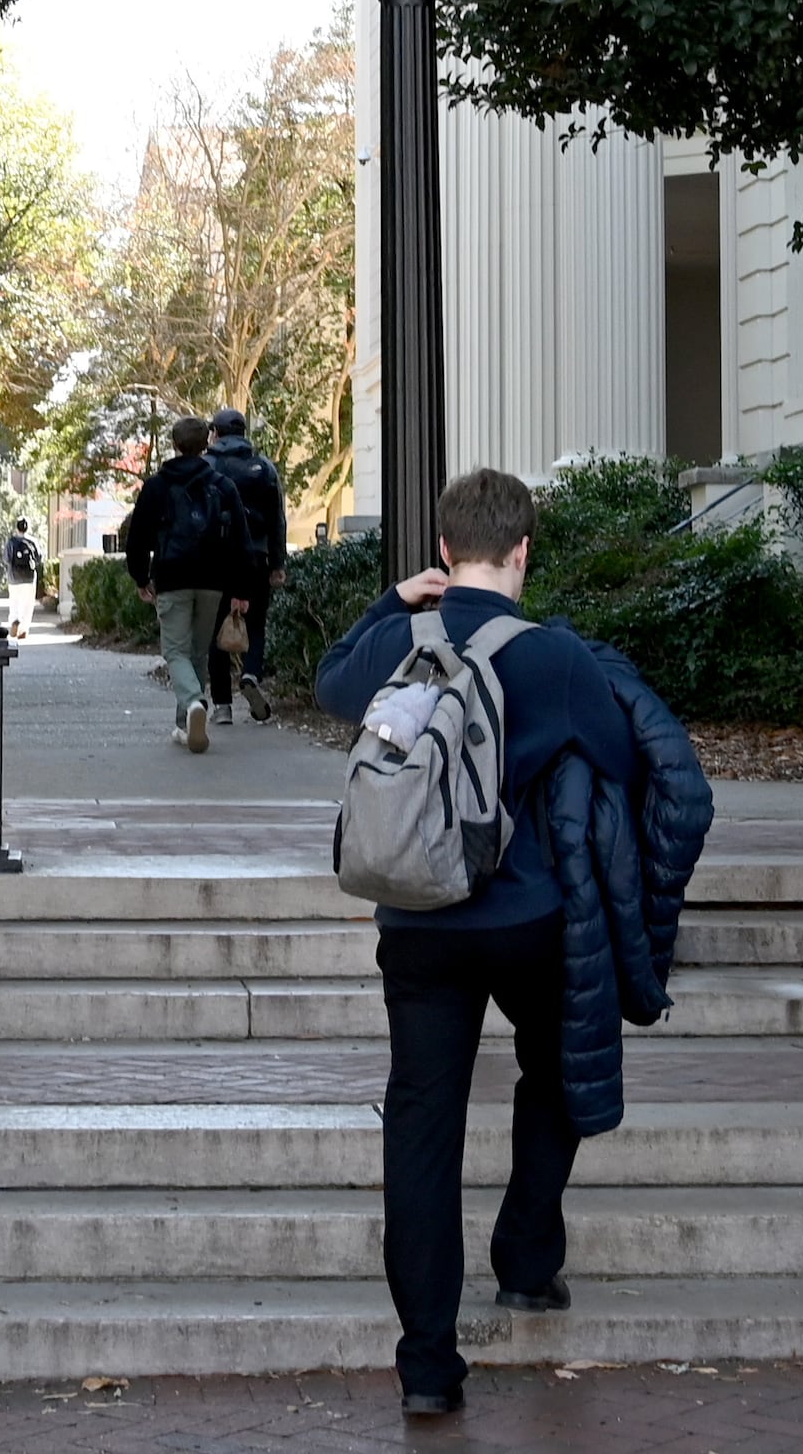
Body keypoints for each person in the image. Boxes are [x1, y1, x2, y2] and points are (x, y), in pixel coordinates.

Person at [315, 467, 715, 1419]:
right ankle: (529, 1258)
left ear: (445, 551)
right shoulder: (556, 659)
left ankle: (427, 1366)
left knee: (421, 1124)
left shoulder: (395, 642)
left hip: (416, 922)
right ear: (526, 548)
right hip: (530, 919)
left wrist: (393, 599)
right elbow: (624, 765)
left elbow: (334, 685)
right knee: (555, 1068)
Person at [120, 415, 259, 752]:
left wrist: (141, 576)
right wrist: (242, 590)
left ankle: (194, 703)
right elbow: (242, 539)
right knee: (197, 651)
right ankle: (185, 725)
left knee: (174, 650)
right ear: (206, 443)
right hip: (213, 580)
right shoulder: (223, 486)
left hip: (172, 575)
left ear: (174, 444)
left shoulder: (157, 486)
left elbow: (138, 536)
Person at [203, 407, 290, 721]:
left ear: (216, 432)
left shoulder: (205, 466)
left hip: (216, 562)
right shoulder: (263, 467)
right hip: (256, 557)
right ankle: (251, 674)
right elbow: (277, 519)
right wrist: (277, 562)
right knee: (256, 625)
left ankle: (222, 706)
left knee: (216, 632)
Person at [0, 523, 43, 640]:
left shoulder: (11, 542)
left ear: (16, 528)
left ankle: (14, 620)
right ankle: (23, 629)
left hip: (14, 577)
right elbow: (39, 558)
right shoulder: (32, 541)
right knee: (28, 604)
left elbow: (6, 559)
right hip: (29, 578)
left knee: (14, 601)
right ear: (27, 528)